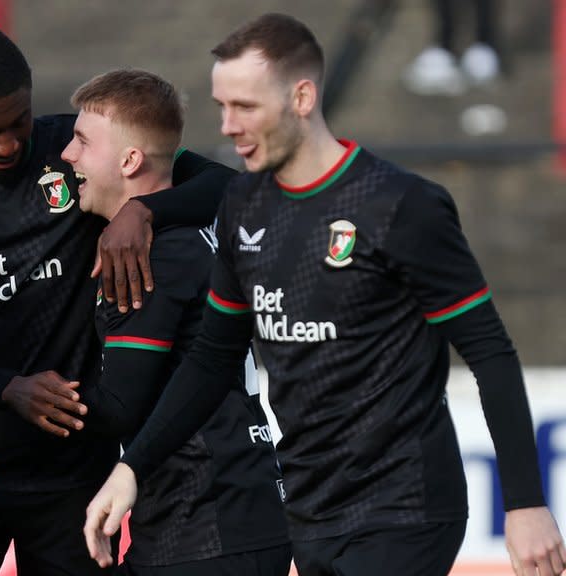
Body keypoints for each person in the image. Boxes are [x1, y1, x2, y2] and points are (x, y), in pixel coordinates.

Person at [84, 13, 566, 576]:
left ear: (302, 97)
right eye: (222, 106)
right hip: (310, 510)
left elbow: (490, 353)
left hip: (403, 504)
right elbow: (212, 359)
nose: (229, 125)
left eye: (245, 107)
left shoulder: (400, 205)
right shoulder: (243, 209)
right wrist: (133, 468)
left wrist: (527, 502)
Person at [0, 26, 229, 576]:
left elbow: (230, 184)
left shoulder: (75, 152)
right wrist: (8, 389)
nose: (8, 143)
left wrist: (147, 210)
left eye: (18, 121)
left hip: (74, 477)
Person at [60, 68, 291, 576]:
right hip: (225, 513)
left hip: (206, 525)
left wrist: (7, 411)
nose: (66, 155)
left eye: (80, 141)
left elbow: (119, 408)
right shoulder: (197, 231)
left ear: (130, 160)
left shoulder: (150, 258)